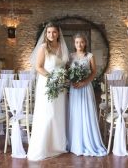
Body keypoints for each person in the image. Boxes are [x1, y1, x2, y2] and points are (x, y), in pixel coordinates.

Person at [27, 22, 69, 161]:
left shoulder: (62, 47)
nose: (51, 35)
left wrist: (62, 78)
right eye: (49, 32)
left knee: (58, 114)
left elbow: (64, 66)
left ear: (58, 33)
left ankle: (58, 145)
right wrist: (52, 78)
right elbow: (38, 67)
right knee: (48, 114)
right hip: (47, 83)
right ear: (46, 34)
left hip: (60, 85)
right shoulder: (43, 47)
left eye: (54, 32)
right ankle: (44, 146)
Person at [68, 33, 107, 156]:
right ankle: (75, 143)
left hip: (86, 87)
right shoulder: (70, 56)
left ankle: (89, 141)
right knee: (75, 113)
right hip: (74, 88)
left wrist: (84, 82)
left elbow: (94, 72)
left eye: (82, 42)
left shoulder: (90, 56)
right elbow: (67, 71)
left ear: (85, 43)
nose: (79, 44)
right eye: (77, 42)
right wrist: (72, 81)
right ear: (74, 44)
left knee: (86, 113)